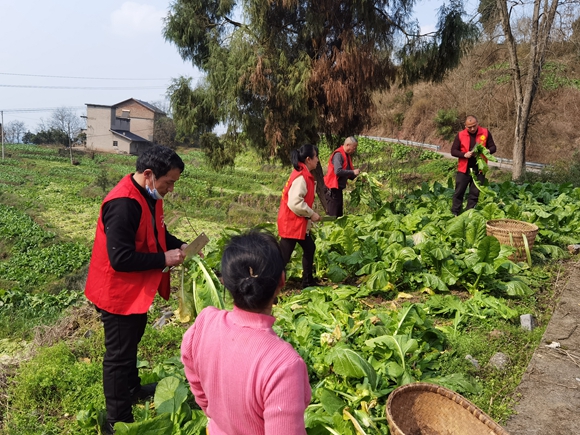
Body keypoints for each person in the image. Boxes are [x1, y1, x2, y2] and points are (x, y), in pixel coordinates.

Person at [84, 145, 188, 434]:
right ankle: (116, 420)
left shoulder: (148, 195)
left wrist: (177, 244)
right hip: (115, 292)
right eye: (168, 183)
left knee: (132, 339)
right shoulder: (122, 204)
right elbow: (120, 258)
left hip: (135, 290)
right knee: (118, 355)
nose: (170, 189)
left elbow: (157, 232)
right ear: (149, 175)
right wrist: (163, 258)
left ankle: (132, 389)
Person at [181, 231, 312, 435]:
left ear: (224, 281)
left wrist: (212, 410)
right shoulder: (284, 364)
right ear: (282, 281)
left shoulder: (204, 323)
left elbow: (192, 370)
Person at [277, 144, 322, 289]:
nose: (318, 160)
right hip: (291, 223)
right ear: (308, 159)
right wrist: (311, 213)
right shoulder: (301, 177)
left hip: (297, 222)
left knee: (310, 248)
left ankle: (307, 282)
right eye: (316, 157)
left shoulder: (304, 174)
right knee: (283, 257)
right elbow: (295, 202)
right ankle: (270, 288)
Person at [450, 115, 497, 216]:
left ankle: (469, 214)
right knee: (459, 191)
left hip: (479, 169)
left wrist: (487, 151)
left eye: (474, 126)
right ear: (465, 126)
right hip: (464, 169)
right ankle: (454, 213)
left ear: (477, 123)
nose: (472, 129)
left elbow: (493, 147)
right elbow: (453, 151)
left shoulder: (485, 132)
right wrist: (464, 154)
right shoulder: (460, 135)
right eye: (469, 127)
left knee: (474, 193)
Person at [324, 136, 361, 217]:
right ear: (347, 145)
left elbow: (348, 174)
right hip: (332, 190)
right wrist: (353, 171)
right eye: (354, 148)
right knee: (333, 216)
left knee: (339, 215)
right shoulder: (338, 155)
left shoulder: (346, 156)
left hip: (338, 190)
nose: (354, 150)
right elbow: (338, 171)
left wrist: (358, 177)